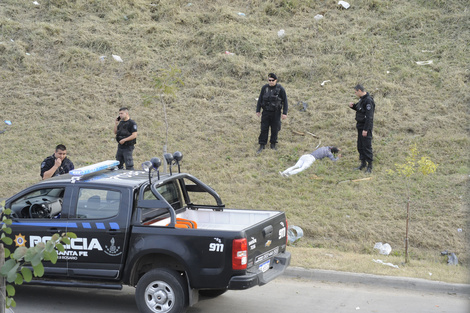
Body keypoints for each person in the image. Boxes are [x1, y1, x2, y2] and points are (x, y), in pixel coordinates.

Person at [256, 73, 288, 153]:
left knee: (275, 129)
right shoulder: (264, 88)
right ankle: (262, 144)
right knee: (264, 128)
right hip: (266, 112)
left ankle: (273, 144)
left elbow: (285, 101)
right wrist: (258, 110)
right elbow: (260, 99)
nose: (270, 82)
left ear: (276, 80)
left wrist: (284, 113)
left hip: (276, 113)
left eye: (272, 80)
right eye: (269, 80)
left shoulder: (280, 89)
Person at [349, 84, 375, 173]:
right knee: (360, 145)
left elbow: (369, 117)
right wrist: (353, 106)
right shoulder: (362, 100)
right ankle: (363, 163)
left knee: (367, 146)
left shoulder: (368, 101)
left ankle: (369, 166)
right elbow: (360, 109)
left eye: (356, 92)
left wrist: (366, 129)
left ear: (360, 90)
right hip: (360, 125)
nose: (355, 93)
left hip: (365, 127)